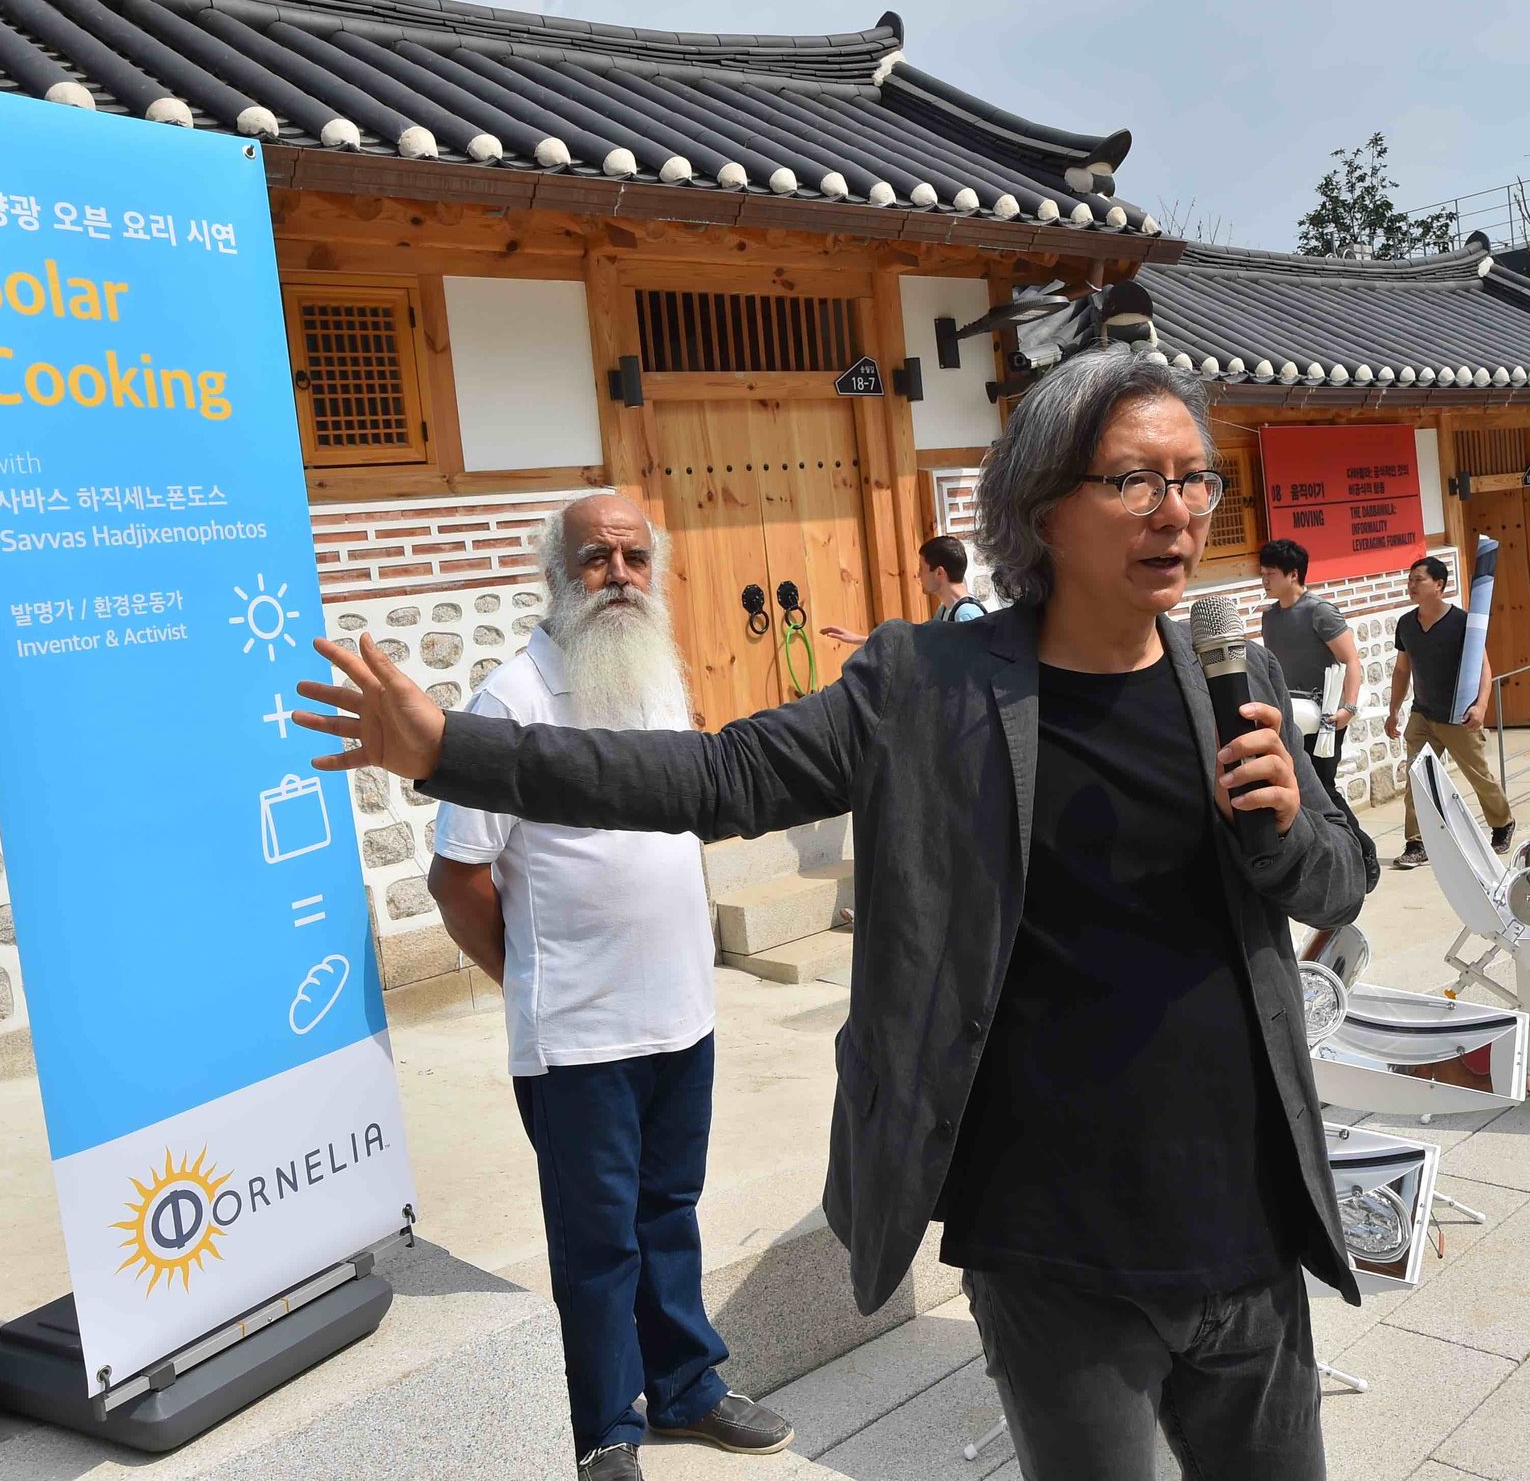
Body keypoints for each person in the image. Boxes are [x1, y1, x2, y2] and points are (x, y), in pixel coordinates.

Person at [299, 342, 1372, 1481]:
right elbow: (715, 778)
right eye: (1136, 479)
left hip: (1248, 1226)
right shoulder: (929, 686)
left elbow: (1341, 878)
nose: (1179, 509)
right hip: (1055, 1247)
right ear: (1044, 506)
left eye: (1196, 477)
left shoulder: (1234, 675)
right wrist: (452, 750)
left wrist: (1291, 827)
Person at [425, 493, 793, 1480]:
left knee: (669, 1208)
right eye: (596, 558)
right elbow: (457, 877)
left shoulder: (657, 680)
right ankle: (606, 1425)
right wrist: (529, 982)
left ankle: (687, 1385)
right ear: (557, 571)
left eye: (635, 556)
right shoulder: (508, 703)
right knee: (596, 1240)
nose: (620, 575)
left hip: (682, 1013)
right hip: (578, 1036)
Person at [1385, 554, 1514, 870]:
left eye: (1419, 579)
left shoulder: (1462, 622)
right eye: (1410, 579)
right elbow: (1402, 671)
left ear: (1439, 585)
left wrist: (1481, 706)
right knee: (1417, 779)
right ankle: (1417, 843)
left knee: (1478, 775)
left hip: (1459, 715)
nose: (1411, 585)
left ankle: (1502, 822)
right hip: (1423, 714)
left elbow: (1485, 669)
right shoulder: (1406, 624)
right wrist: (1393, 711)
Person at [1256, 538, 1363, 791]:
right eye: (1262, 574)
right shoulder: (1269, 617)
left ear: (1293, 574)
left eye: (1271, 574)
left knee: (1323, 787)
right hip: (1290, 714)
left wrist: (1348, 708)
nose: (1265, 581)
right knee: (1298, 787)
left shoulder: (1320, 611)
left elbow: (1351, 661)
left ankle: (1350, 833)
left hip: (1324, 713)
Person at [819, 534, 987, 647]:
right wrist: (858, 639)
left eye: (922, 568)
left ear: (939, 572)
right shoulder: (945, 609)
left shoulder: (966, 615)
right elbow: (917, 642)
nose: (918, 574)